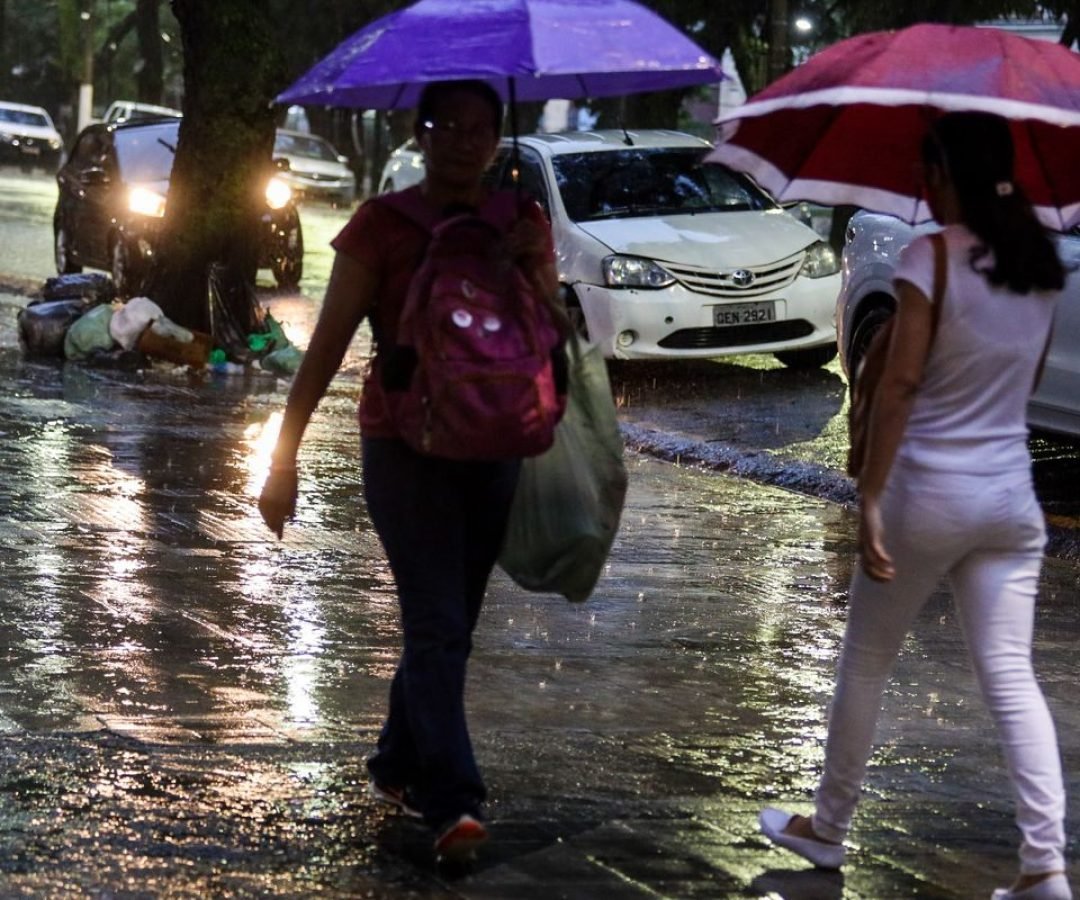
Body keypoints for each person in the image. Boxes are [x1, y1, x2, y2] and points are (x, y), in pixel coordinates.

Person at [759, 111, 1072, 900]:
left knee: (866, 660)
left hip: (929, 493)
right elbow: (1028, 387)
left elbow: (896, 385)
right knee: (1011, 676)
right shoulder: (1038, 266)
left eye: (928, 170)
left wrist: (868, 498)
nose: (922, 185)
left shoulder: (929, 257)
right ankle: (1045, 867)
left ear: (945, 176)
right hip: (1011, 500)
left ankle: (827, 829)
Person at [258, 79, 560, 863]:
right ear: (416, 133)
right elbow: (324, 349)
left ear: (499, 138)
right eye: (446, 126)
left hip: (494, 449)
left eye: (480, 129)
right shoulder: (381, 227)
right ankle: (453, 802)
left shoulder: (521, 220)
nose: (464, 141)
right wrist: (282, 457)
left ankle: (395, 762)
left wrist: (534, 272)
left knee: (451, 625)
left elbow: (551, 338)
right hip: (403, 451)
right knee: (436, 625)